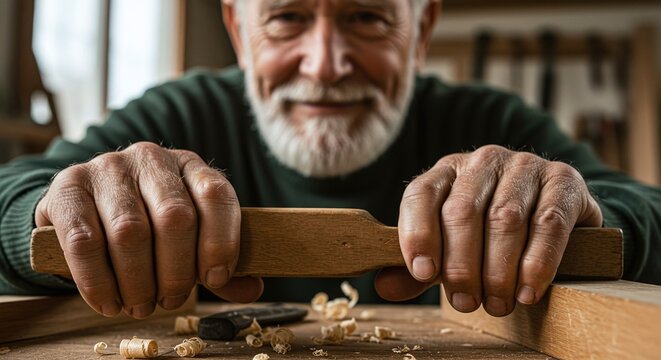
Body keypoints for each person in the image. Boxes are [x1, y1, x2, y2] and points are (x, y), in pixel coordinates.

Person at [1, 0, 660, 321]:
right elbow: (14, 196)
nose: (325, 64)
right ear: (237, 29)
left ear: (421, 30)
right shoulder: (180, 117)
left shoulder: (491, 124)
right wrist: (61, 209)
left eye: (367, 17)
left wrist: (578, 217)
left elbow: (644, 213)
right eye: (286, 17)